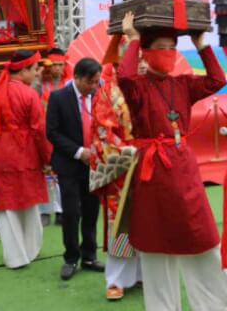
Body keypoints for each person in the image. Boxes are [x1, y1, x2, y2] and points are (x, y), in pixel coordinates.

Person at [119, 11, 227, 311]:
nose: (168, 53)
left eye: (172, 47)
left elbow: (216, 79)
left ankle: (216, 304)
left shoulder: (183, 84)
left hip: (183, 169)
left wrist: (200, 45)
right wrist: (132, 39)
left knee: (203, 236)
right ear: (146, 51)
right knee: (156, 244)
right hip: (153, 172)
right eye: (160, 47)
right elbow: (124, 77)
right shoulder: (138, 87)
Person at [0, 50, 52, 268]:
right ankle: (31, 249)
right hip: (25, 151)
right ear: (23, 70)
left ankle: (14, 257)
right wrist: (47, 158)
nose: (37, 73)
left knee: (6, 205)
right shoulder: (29, 94)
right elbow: (39, 130)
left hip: (1, 153)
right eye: (34, 69)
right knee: (28, 201)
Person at [46, 58, 104, 283]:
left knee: (91, 211)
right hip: (69, 164)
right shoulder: (59, 97)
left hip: (94, 165)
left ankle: (89, 256)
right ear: (77, 77)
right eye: (90, 82)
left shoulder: (99, 96)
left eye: (97, 82)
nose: (94, 86)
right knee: (71, 213)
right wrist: (80, 152)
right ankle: (71, 258)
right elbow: (52, 132)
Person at [89, 56, 143, 300]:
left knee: (150, 221)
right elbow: (103, 133)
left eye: (144, 58)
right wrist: (128, 152)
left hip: (152, 161)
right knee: (121, 222)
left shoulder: (153, 85)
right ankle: (117, 279)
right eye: (136, 58)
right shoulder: (108, 92)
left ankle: (146, 274)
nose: (141, 63)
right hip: (124, 165)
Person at [38, 47, 69, 227]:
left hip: (62, 133)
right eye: (54, 65)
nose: (57, 68)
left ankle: (60, 210)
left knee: (61, 173)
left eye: (60, 64)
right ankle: (43, 211)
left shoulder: (70, 82)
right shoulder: (39, 83)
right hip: (42, 133)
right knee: (44, 173)